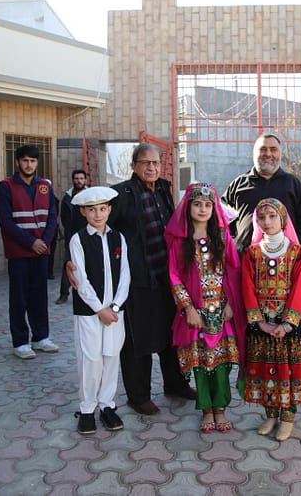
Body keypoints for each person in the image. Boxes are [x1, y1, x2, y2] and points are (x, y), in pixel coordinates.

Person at [107, 143, 196, 415]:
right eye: (145, 162)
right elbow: (101, 227)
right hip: (137, 280)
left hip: (166, 277)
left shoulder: (163, 190)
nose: (151, 167)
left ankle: (176, 383)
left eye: (156, 163)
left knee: (171, 334)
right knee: (139, 341)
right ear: (134, 165)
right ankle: (138, 396)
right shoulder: (120, 194)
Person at [164, 183, 245, 433]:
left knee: (220, 364)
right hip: (195, 315)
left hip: (221, 312)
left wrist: (230, 304)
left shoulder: (222, 237)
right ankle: (206, 410)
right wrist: (188, 308)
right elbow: (174, 276)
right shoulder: (180, 242)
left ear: (214, 208)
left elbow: (234, 271)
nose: (202, 209)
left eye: (208, 205)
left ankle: (220, 409)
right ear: (188, 208)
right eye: (197, 204)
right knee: (200, 364)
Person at [241, 198, 301, 441]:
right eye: (261, 217)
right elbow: (247, 287)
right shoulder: (252, 253)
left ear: (282, 219)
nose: (267, 222)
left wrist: (287, 323)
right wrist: (260, 322)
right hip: (262, 324)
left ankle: (288, 418)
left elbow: (299, 288)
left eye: (272, 216)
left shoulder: (296, 252)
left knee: (289, 370)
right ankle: (271, 415)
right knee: (265, 369)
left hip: (289, 325)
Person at [69, 186, 130, 434]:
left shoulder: (118, 238)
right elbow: (81, 280)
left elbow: (125, 275)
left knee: (111, 356)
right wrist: (99, 309)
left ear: (109, 210)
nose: (98, 214)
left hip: (114, 312)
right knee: (90, 359)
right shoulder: (78, 240)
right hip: (89, 312)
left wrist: (115, 306)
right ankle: (87, 409)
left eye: (102, 209)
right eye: (92, 210)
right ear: (83, 212)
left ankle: (107, 405)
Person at [0, 144, 59, 359]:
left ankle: (41, 337)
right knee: (19, 298)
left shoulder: (45, 186)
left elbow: (52, 216)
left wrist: (44, 242)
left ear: (37, 163)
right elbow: (6, 221)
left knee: (39, 296)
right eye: (25, 160)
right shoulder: (5, 186)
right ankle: (20, 342)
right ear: (17, 162)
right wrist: (31, 242)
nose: (29, 165)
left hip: (41, 251)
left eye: (33, 161)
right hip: (19, 252)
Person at [222, 133, 301, 255]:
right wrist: (235, 243)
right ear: (254, 153)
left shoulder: (292, 184)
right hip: (243, 260)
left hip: (284, 261)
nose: (268, 154)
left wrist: (295, 246)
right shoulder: (238, 185)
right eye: (263, 149)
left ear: (280, 154)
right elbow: (222, 216)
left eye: (273, 149)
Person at [55, 169, 88, 304]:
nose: (79, 181)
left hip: (88, 235)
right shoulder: (68, 197)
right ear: (73, 180)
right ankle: (64, 294)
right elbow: (64, 218)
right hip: (72, 236)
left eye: (81, 178)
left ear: (85, 180)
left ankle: (87, 294)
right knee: (68, 263)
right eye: (76, 178)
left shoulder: (90, 195)